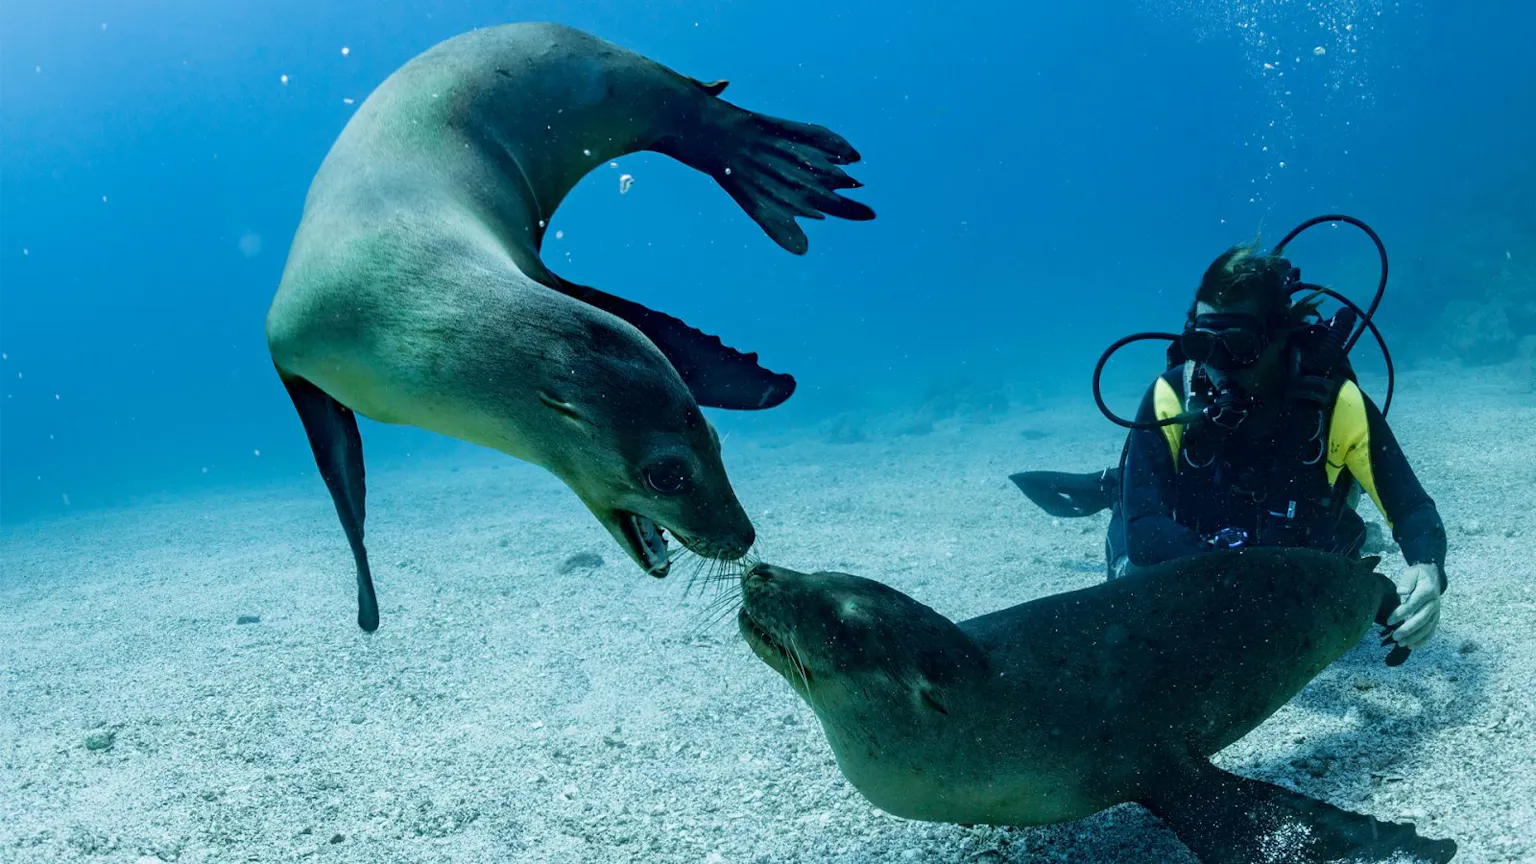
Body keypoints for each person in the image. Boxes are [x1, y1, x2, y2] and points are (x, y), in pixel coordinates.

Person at [1011, 238, 1447, 651]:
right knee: (1129, 575)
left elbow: (1410, 507)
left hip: (1290, 541)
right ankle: (1116, 486)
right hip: (1206, 546)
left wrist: (1427, 568)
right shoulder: (1172, 397)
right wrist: (1251, 577)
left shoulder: (1333, 406)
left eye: (1238, 347)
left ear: (1278, 339)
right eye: (1203, 345)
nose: (1218, 368)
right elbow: (1145, 530)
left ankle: (1119, 483)